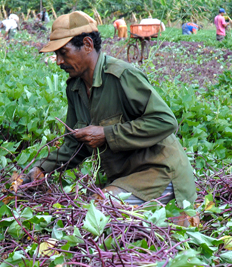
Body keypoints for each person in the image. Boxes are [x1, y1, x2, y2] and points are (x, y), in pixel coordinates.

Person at [21, 11, 197, 210]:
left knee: (99, 207)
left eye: (63, 52)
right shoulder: (75, 88)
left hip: (160, 173)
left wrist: (106, 134)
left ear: (87, 45)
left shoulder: (122, 76)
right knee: (88, 207)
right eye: (56, 54)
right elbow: (74, 146)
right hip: (125, 177)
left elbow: (165, 121)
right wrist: (42, 169)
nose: (59, 61)